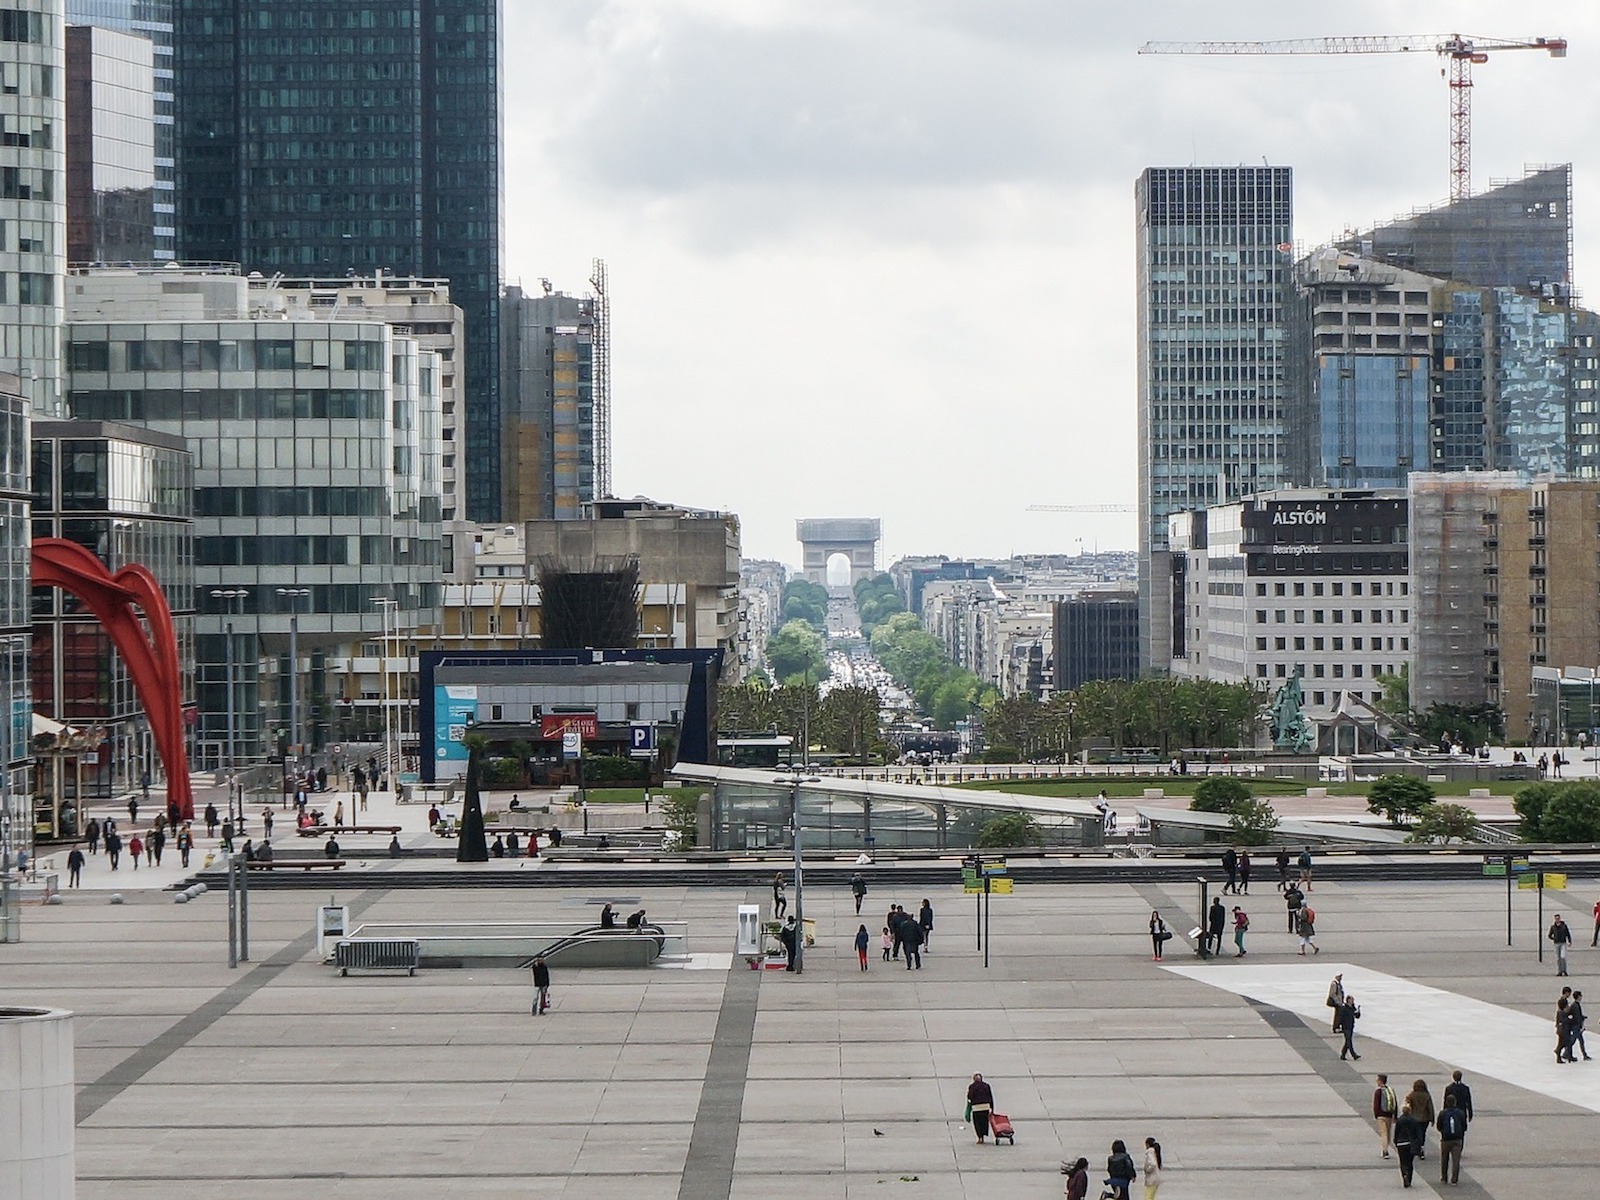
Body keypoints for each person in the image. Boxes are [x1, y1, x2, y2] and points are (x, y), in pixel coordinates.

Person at [1436, 1092, 1468, 1185]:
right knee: (1456, 1160)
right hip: (1457, 1139)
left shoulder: (1442, 1113)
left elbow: (1439, 1126)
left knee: (1444, 1159)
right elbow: (1464, 1126)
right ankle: (1454, 1179)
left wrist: (1442, 1131)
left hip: (1445, 1139)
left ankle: (1444, 1177)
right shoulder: (1460, 1113)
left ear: (1446, 1102)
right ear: (1455, 1102)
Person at [1394, 1101, 1425, 1188]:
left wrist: (1395, 1141)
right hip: (1410, 1143)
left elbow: (1397, 1132)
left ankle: (1404, 1174)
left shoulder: (1400, 1120)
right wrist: (1419, 1144)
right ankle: (1409, 1177)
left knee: (1402, 1162)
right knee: (1410, 1162)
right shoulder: (1414, 1120)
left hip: (1401, 1143)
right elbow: (1418, 1134)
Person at [1405, 1080, 1434, 1159]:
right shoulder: (1426, 1095)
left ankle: (1416, 1148)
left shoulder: (1412, 1095)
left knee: (1415, 1134)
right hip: (1425, 1118)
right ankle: (1421, 1147)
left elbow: (1407, 1103)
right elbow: (1430, 1107)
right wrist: (1432, 1118)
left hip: (1414, 1118)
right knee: (1422, 1133)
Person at [1373, 1073, 1399, 1159]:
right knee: (1388, 1133)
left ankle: (1385, 1151)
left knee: (1383, 1133)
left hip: (1381, 1115)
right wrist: (1395, 1116)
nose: (1376, 1081)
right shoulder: (1390, 1091)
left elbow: (1376, 1105)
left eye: (1377, 1079)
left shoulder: (1378, 1092)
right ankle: (1386, 1148)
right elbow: (1395, 1103)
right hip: (1389, 1115)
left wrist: (1376, 1115)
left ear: (1380, 1081)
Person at [965, 1073, 994, 1144]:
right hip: (985, 1107)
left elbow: (969, 1097)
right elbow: (990, 1097)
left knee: (977, 1123)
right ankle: (983, 1137)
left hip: (976, 1108)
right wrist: (992, 1107)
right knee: (984, 1122)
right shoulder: (986, 1086)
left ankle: (979, 1137)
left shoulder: (972, 1086)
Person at [1338, 993, 1361, 1060]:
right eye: (1351, 1000)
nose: (1353, 1001)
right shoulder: (1344, 1008)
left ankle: (1343, 1055)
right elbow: (1340, 1017)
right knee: (1349, 1041)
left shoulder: (1352, 1007)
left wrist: (1358, 1012)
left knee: (1347, 1041)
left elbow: (1356, 1016)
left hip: (1351, 1026)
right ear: (1348, 1000)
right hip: (1345, 1027)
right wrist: (1339, 1026)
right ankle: (1354, 1055)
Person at [1570, 993, 1592, 1061]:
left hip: (1577, 1025)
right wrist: (1580, 1024)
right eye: (1580, 996)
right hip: (1576, 1026)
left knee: (1580, 1041)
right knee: (1573, 1041)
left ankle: (1584, 1054)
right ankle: (1566, 1053)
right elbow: (1577, 1016)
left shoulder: (1575, 1004)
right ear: (1578, 997)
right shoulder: (1576, 1005)